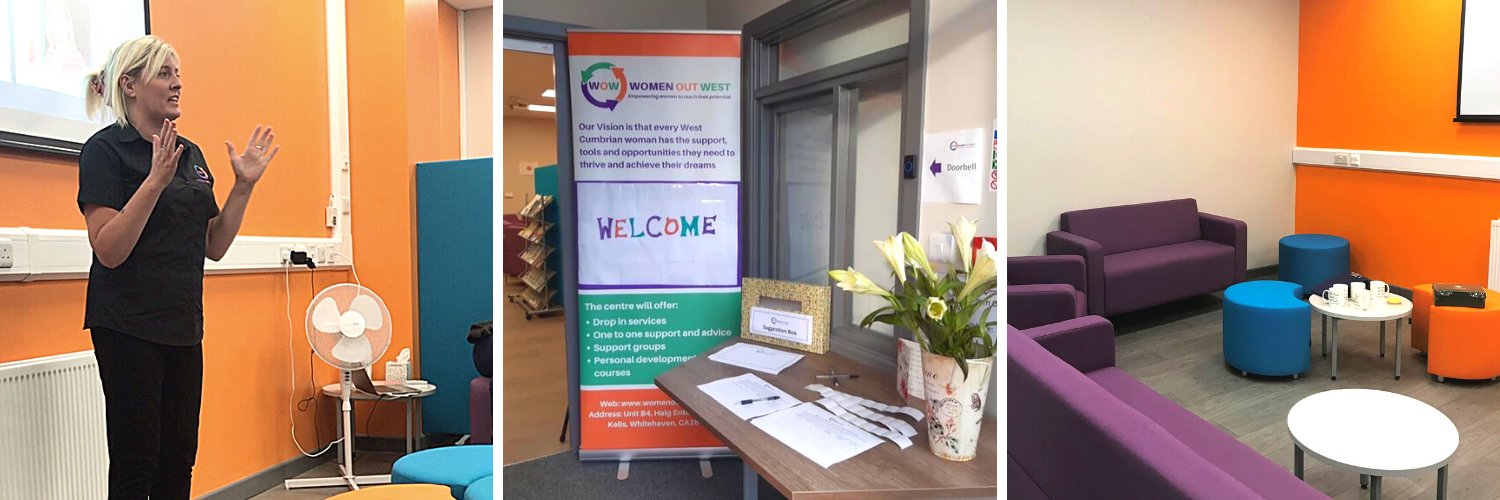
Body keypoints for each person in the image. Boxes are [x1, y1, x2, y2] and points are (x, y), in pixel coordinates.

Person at [77, 35, 278, 499]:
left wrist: (243, 187)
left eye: (178, 74)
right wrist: (153, 182)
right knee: (136, 463)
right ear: (129, 85)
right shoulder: (105, 151)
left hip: (183, 327)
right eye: (165, 74)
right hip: (127, 328)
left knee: (178, 459)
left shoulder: (190, 154)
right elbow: (108, 250)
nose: (177, 84)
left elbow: (214, 244)